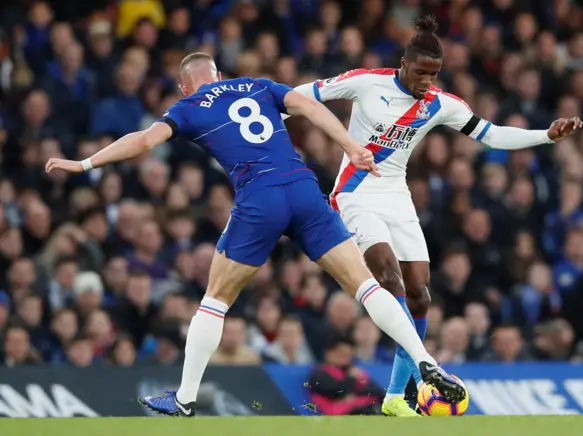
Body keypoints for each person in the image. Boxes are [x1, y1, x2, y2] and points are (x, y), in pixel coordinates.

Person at [45, 52, 465, 417]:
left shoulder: (187, 107)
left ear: (183, 84)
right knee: (366, 286)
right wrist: (351, 148)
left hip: (259, 198)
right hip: (303, 190)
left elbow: (143, 141)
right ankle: (424, 359)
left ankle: (186, 399)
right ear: (220, 75)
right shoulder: (258, 85)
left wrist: (84, 164)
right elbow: (312, 109)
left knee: (215, 298)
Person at [287, 15, 583, 416]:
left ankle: (395, 396)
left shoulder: (441, 104)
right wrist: (264, 124)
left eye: (435, 74)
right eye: (422, 72)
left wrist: (545, 136)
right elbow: (301, 97)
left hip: (397, 196)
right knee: (387, 275)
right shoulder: (365, 82)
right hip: (355, 193)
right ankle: (426, 366)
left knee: (420, 296)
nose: (428, 81)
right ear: (404, 64)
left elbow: (491, 134)